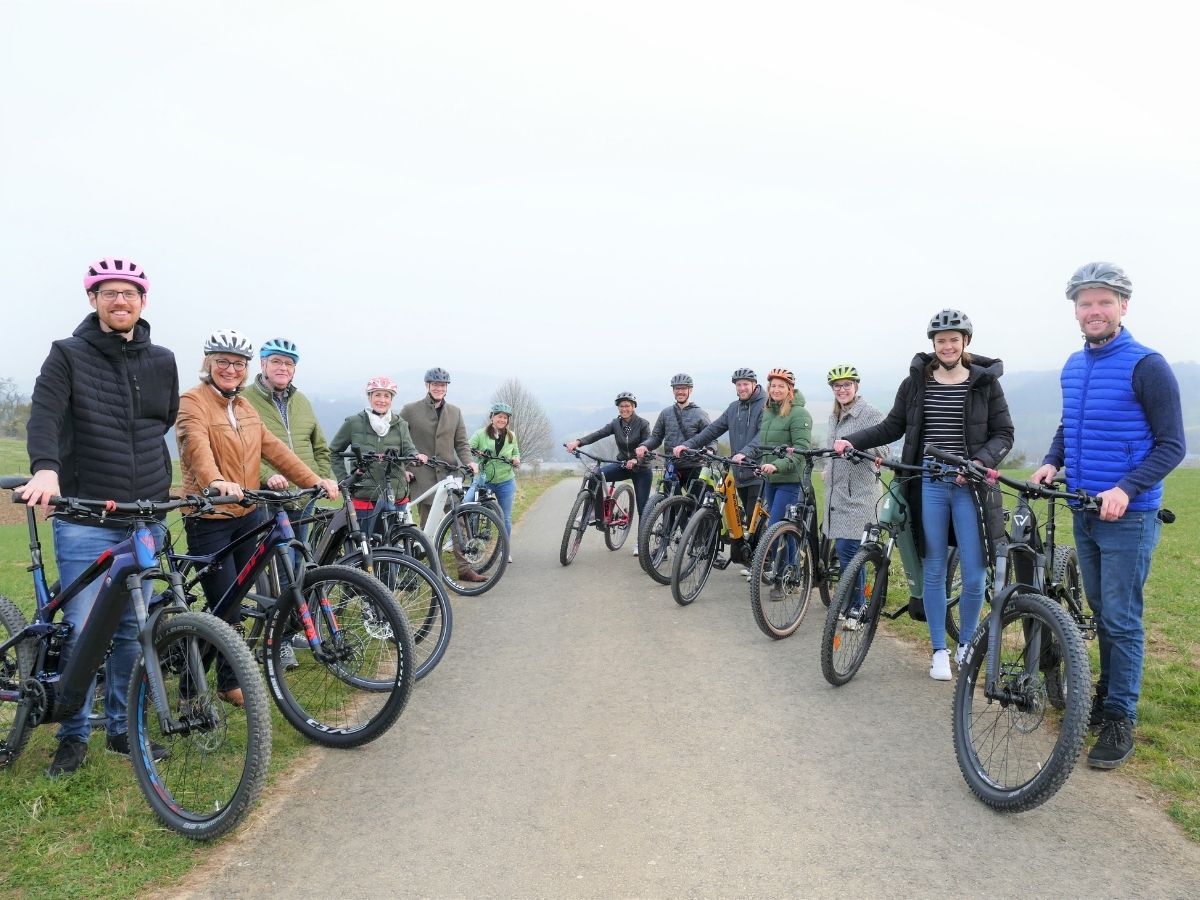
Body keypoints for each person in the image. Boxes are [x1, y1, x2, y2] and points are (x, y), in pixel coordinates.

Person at [17, 257, 178, 777]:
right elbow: (45, 415)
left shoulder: (163, 360)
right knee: (84, 629)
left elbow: (162, 421)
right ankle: (72, 734)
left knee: (133, 628)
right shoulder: (67, 354)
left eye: (129, 294)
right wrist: (46, 469)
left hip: (145, 514)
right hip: (86, 514)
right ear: (93, 300)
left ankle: (121, 728)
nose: (119, 302)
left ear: (143, 301)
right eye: (109, 293)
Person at [1030, 262, 1184, 769]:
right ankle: (1106, 695)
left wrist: (1126, 488)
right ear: (1075, 310)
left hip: (1129, 515)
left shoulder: (1147, 365)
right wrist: (1053, 461)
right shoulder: (1075, 365)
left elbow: (1171, 446)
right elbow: (1070, 424)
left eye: (1104, 302)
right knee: (1102, 613)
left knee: (1121, 618)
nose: (1094, 311)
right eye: (1085, 303)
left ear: (1123, 307)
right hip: (1082, 509)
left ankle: (1120, 717)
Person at [833, 309, 1013, 681]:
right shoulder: (916, 382)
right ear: (932, 344)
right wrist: (851, 440)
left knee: (975, 571)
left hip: (970, 488)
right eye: (941, 340)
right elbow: (892, 427)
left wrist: (979, 462)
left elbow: (1003, 434)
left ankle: (965, 644)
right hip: (929, 485)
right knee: (932, 567)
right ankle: (939, 651)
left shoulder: (985, 384)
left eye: (954, 339)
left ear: (965, 342)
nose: (947, 346)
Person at [176, 330, 340, 703]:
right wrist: (216, 481)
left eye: (238, 364)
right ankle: (194, 688)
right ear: (208, 364)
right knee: (225, 608)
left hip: (247, 513)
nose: (230, 369)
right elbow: (196, 448)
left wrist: (315, 480)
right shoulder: (193, 402)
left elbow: (276, 450)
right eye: (223, 362)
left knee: (234, 604)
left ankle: (225, 679)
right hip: (210, 517)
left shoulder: (244, 407)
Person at [679, 368, 767, 575]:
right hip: (739, 470)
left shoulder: (765, 405)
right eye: (739, 384)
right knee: (744, 515)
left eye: (746, 384)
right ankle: (750, 559)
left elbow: (763, 435)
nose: (742, 387)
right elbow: (713, 429)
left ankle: (763, 564)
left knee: (757, 521)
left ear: (754, 384)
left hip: (757, 471)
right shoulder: (734, 408)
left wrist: (745, 453)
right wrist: (688, 444)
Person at [399, 367, 482, 582]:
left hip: (449, 475)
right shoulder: (410, 410)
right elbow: (400, 441)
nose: (439, 388)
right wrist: (405, 467)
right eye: (435, 384)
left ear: (446, 388)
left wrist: (469, 462)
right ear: (427, 385)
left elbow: (461, 443)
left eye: (442, 385)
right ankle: (431, 573)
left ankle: (464, 569)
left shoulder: (455, 412)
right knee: (429, 527)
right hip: (424, 477)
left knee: (458, 522)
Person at [820, 365, 886, 628]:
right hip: (837, 494)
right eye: (837, 386)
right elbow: (831, 449)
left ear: (856, 387)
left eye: (847, 385)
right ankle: (849, 602)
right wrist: (828, 465)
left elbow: (884, 450)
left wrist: (859, 449)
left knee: (851, 550)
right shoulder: (835, 416)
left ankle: (858, 608)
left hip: (860, 495)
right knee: (845, 551)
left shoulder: (870, 413)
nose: (842, 390)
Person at [329, 376, 427, 545]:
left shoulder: (400, 424)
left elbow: (409, 449)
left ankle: (392, 572)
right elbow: (334, 452)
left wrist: (416, 457)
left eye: (386, 396)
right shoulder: (354, 423)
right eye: (377, 395)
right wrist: (344, 480)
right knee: (366, 546)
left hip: (395, 494)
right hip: (364, 494)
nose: (382, 400)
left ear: (391, 399)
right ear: (370, 397)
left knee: (393, 545)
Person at [750, 369, 813, 599]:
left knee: (776, 528)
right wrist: (762, 464)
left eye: (781, 386)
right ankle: (792, 573)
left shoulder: (799, 414)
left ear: (790, 390)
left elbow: (801, 451)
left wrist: (777, 465)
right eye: (773, 386)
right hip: (771, 480)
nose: (776, 390)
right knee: (784, 530)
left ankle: (780, 579)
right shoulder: (769, 412)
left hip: (790, 480)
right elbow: (767, 447)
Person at [565, 391, 652, 555]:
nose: (624, 408)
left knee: (643, 508)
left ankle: (641, 543)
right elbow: (598, 434)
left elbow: (648, 444)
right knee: (596, 474)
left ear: (633, 407)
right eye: (621, 406)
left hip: (641, 469)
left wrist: (636, 460)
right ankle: (591, 512)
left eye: (627, 405)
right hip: (622, 464)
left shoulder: (643, 424)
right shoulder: (615, 424)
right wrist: (578, 442)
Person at [465, 403, 521, 561]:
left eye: (505, 417)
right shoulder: (480, 434)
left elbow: (516, 453)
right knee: (467, 504)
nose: (502, 420)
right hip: (484, 479)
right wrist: (476, 457)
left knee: (506, 517)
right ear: (492, 418)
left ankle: (504, 550)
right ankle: (464, 542)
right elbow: (467, 449)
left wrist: (516, 460)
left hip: (505, 480)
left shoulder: (511, 436)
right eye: (499, 416)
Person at [634, 374, 711, 488]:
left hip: (694, 465)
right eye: (677, 388)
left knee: (696, 502)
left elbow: (710, 437)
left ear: (690, 390)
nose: (680, 392)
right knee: (669, 502)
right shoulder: (666, 413)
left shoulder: (700, 414)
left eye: (683, 388)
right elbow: (656, 437)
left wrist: (710, 450)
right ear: (673, 391)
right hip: (672, 465)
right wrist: (644, 446)